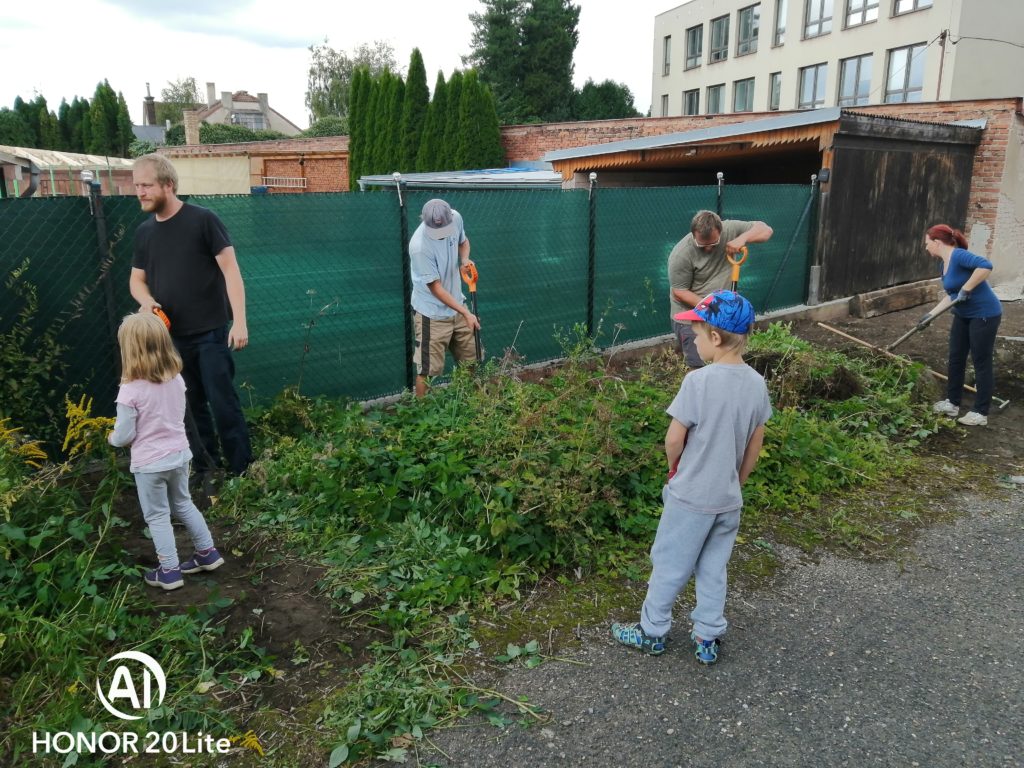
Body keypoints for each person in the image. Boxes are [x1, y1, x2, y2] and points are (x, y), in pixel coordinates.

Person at [612, 289, 772, 665]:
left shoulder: (697, 382)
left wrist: (675, 469)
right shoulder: (756, 384)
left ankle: (652, 632)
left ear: (715, 337)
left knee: (669, 564)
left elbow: (674, 439)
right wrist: (737, 482)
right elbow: (754, 445)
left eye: (697, 334)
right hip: (727, 499)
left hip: (690, 498)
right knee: (714, 568)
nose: (694, 341)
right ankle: (707, 636)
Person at [130, 153, 253, 476]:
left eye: (146, 185)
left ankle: (241, 470)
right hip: (171, 339)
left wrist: (239, 321)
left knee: (223, 403)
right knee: (189, 407)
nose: (140, 192)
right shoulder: (144, 232)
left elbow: (231, 271)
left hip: (211, 332)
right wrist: (147, 301)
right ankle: (206, 469)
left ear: (168, 185)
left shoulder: (203, 220)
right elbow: (136, 280)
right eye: (137, 186)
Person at [108, 313, 225, 591]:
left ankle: (169, 571)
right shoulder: (176, 380)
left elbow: (124, 435)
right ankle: (207, 553)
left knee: (157, 516)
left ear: (129, 350)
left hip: (150, 464)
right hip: (179, 455)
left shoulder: (129, 391)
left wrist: (112, 438)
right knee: (183, 503)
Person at [917, 224, 1002, 427]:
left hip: (984, 314)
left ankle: (980, 412)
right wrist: (930, 315)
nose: (926, 247)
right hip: (963, 315)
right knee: (956, 358)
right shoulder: (943, 265)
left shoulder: (959, 256)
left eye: (927, 243)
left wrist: (967, 287)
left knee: (981, 361)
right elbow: (952, 295)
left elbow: (985, 265)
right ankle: (952, 403)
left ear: (937, 242)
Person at [668, 210, 773, 368]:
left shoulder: (730, 229)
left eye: (713, 244)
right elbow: (680, 292)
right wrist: (715, 307)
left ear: (720, 231)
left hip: (721, 316)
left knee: (725, 360)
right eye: (702, 245)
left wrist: (742, 239)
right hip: (691, 318)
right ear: (693, 235)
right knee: (699, 367)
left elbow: (766, 231)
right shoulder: (681, 254)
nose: (708, 249)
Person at [409, 198, 480, 398]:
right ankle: (421, 411)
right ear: (425, 221)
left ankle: (470, 401)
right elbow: (436, 289)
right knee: (427, 370)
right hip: (431, 313)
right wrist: (466, 313)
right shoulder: (419, 246)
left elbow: (463, 242)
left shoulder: (455, 218)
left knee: (472, 358)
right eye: (436, 231)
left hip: (457, 305)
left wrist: (464, 259)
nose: (440, 235)